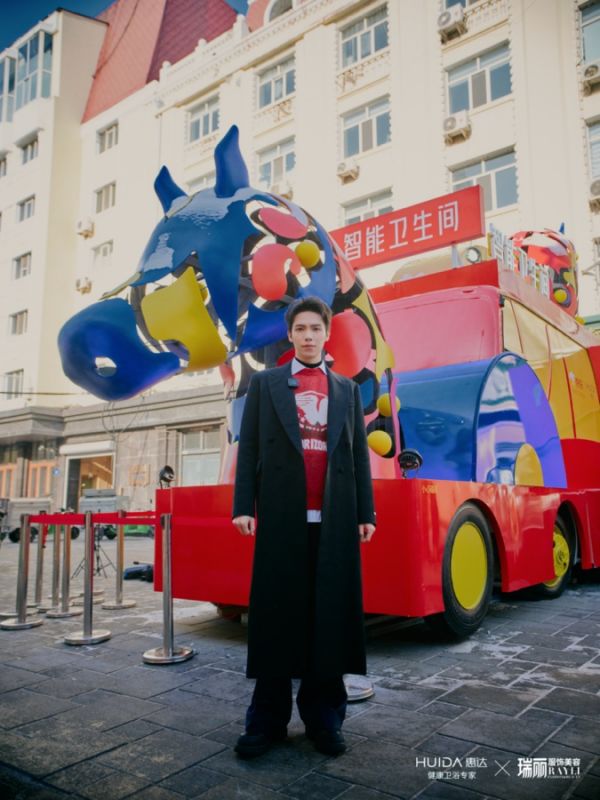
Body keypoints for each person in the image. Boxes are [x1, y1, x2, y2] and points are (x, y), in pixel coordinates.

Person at [232, 296, 376, 758]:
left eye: (316, 328)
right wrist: (243, 505)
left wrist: (365, 513)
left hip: (334, 521)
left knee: (328, 619)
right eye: (301, 329)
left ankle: (325, 719)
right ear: (290, 335)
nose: (309, 335)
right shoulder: (267, 384)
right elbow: (249, 447)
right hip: (280, 518)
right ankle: (266, 721)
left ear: (326, 334)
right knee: (276, 616)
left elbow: (357, 456)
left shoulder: (346, 390)